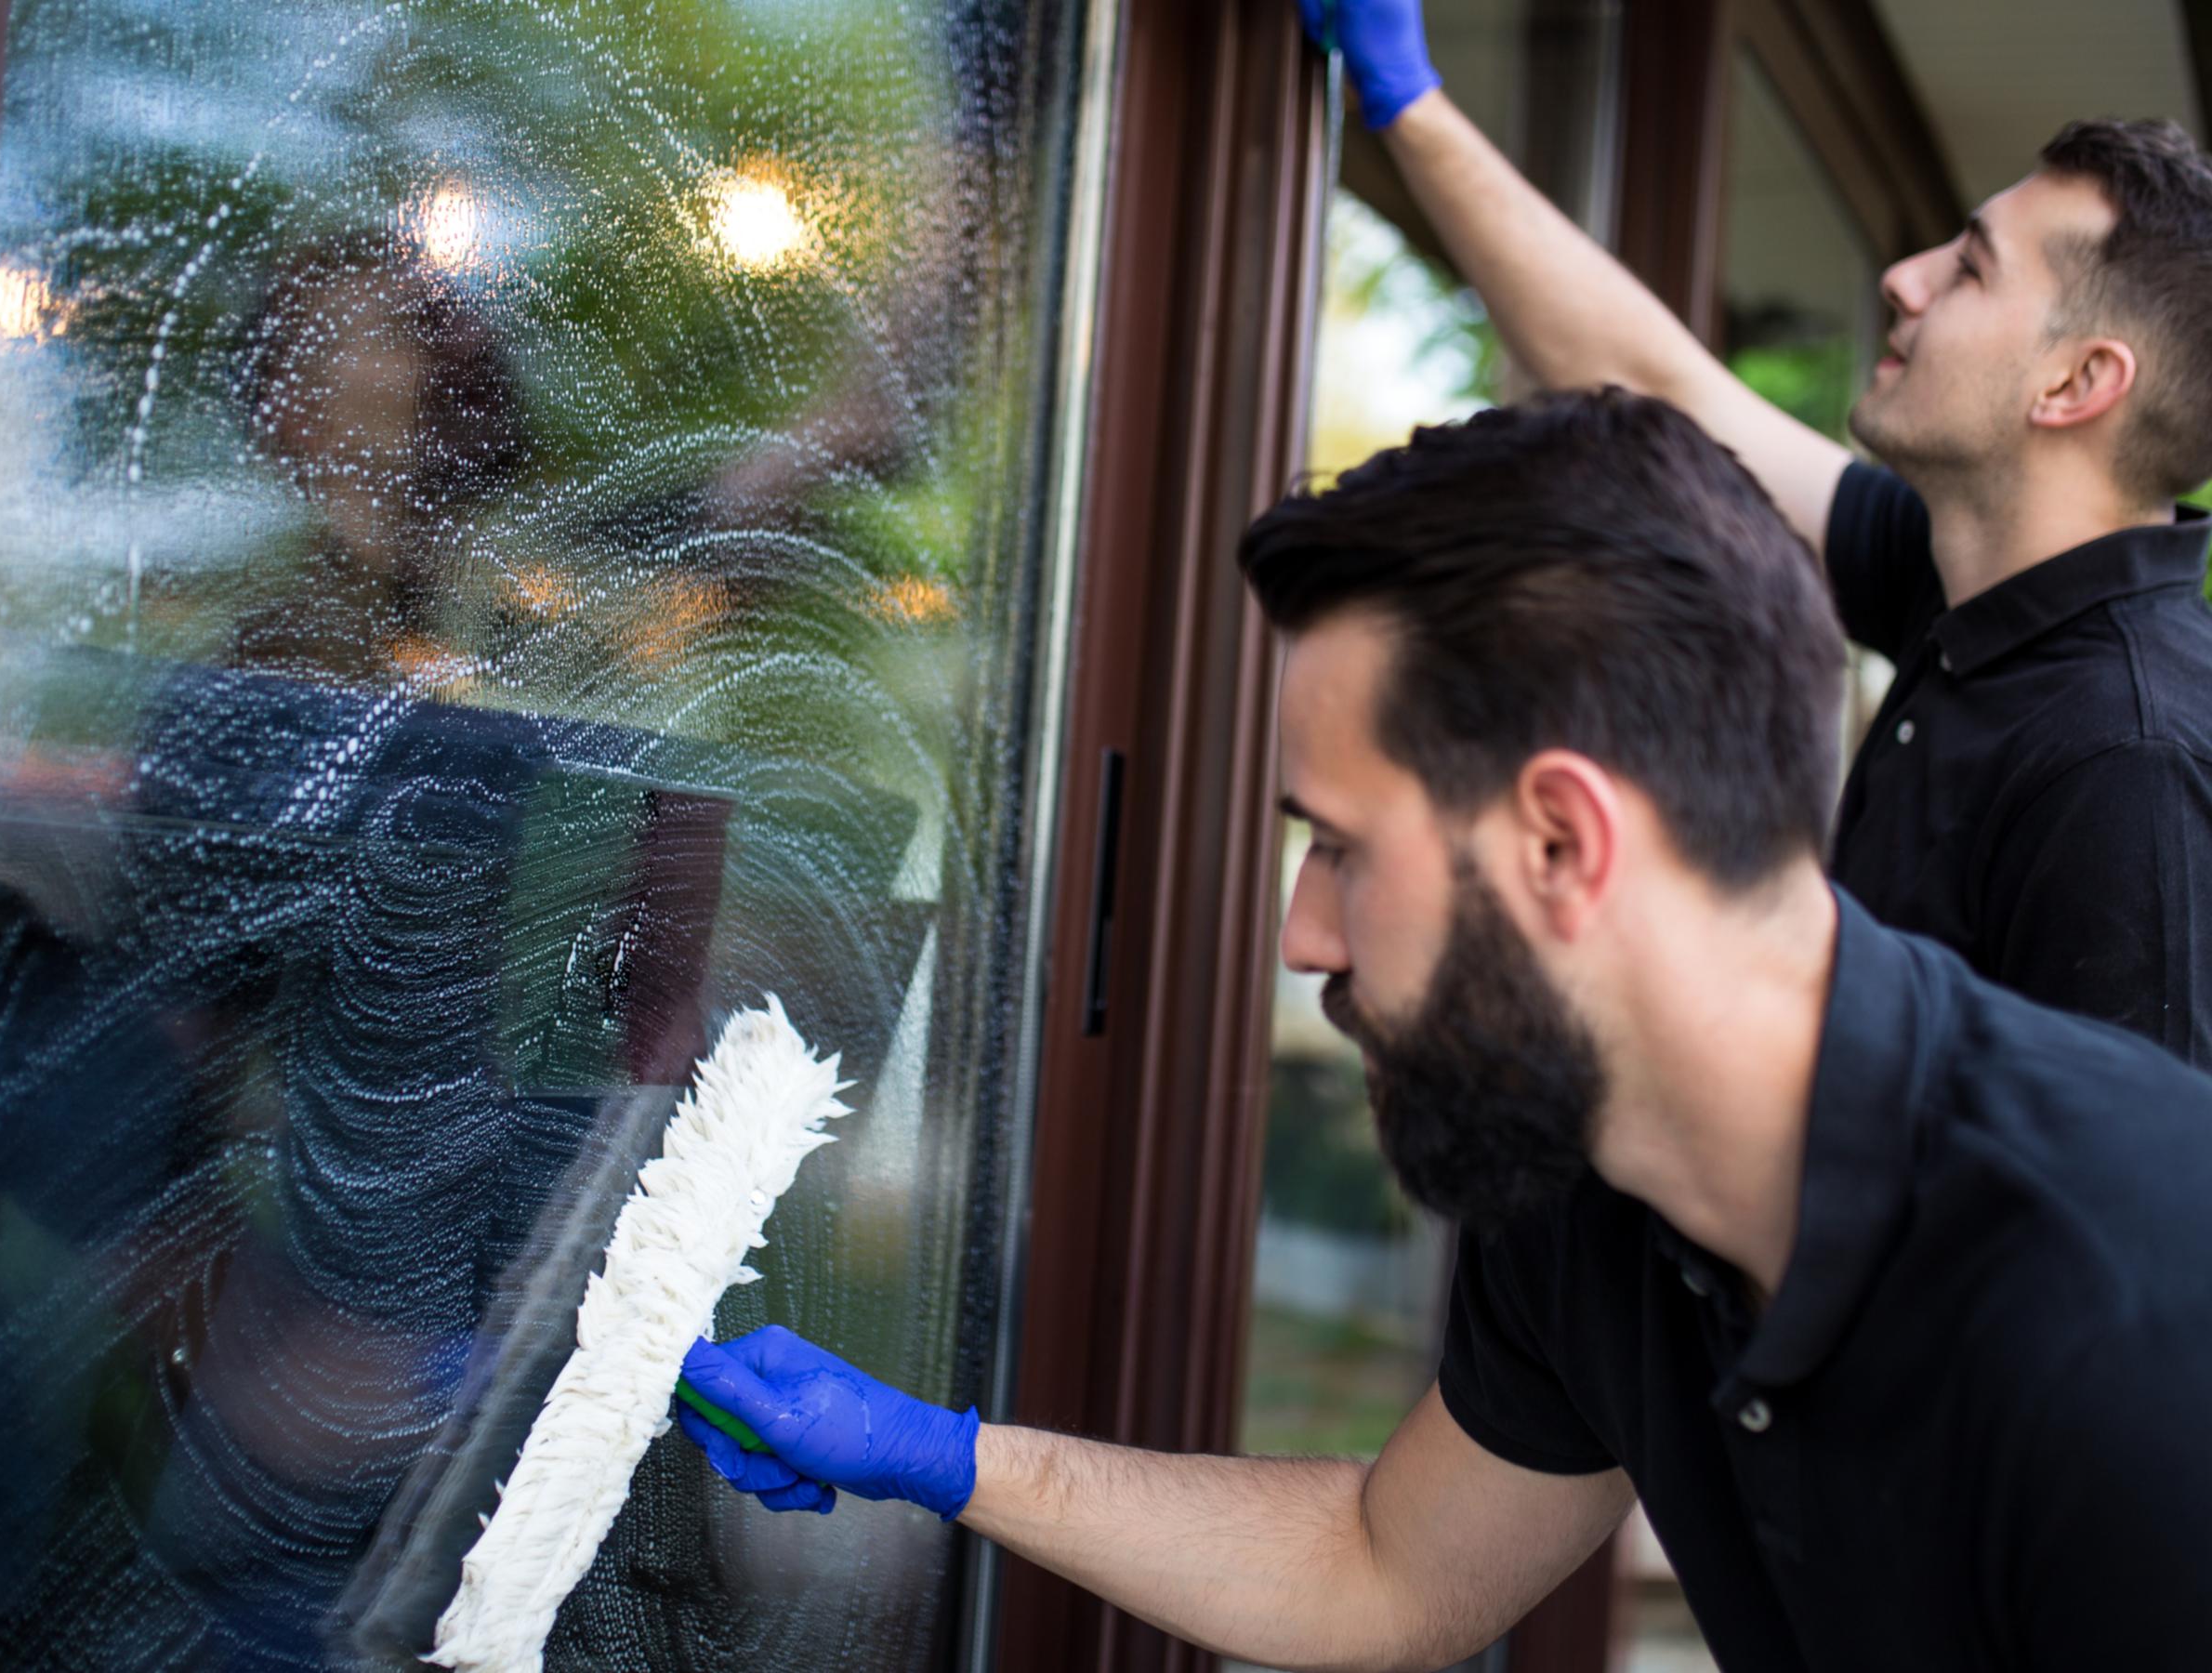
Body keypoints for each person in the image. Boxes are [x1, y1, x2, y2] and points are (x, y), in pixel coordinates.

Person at [672, 393, 2212, 1670]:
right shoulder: (1597, 1171)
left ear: (1561, 844)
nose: (1302, 937)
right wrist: (948, 1460)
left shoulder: (2129, 1324)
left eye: (1340, 847)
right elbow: (1383, 1565)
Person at [1298, 1, 2212, 1063]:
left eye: (1969, 268)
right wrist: (1407, 104)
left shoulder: (2130, 763)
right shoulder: (1960, 582)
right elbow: (1655, 382)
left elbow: (2123, 1210)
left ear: (2077, 382)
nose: (1904, 278)